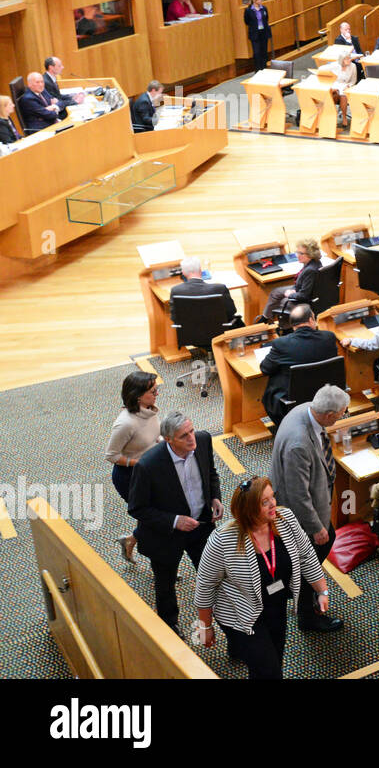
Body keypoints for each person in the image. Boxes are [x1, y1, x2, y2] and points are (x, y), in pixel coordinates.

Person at [194, 476, 328, 679]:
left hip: (276, 604)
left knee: (275, 655)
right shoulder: (222, 540)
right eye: (264, 502)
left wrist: (322, 591)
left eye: (272, 497)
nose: (273, 504)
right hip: (241, 614)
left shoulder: (286, 519)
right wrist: (205, 626)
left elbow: (306, 556)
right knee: (269, 672)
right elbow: (205, 585)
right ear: (248, 509)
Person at [128, 411, 222, 631]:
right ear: (168, 439)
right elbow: (137, 508)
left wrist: (215, 497)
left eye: (191, 431)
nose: (192, 438)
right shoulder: (148, 466)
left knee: (214, 577)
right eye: (184, 435)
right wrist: (174, 521)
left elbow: (211, 473)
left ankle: (229, 625)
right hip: (166, 536)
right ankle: (170, 629)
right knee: (165, 586)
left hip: (201, 527)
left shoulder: (203, 440)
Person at [269, 384, 349, 632]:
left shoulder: (306, 409)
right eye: (342, 413)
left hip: (313, 500)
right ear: (328, 415)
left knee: (326, 542)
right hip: (301, 516)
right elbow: (297, 495)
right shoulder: (299, 444)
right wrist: (316, 528)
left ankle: (303, 592)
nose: (343, 416)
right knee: (307, 563)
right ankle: (306, 615)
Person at [105, 371, 161, 564]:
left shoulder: (150, 410)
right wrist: (140, 463)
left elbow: (153, 436)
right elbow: (111, 455)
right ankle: (161, 564)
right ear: (138, 395)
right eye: (153, 391)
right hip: (130, 477)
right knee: (154, 518)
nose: (157, 394)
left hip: (151, 470)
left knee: (155, 515)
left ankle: (130, 540)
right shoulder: (125, 423)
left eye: (157, 389)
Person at [259, 304, 339, 425]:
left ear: (292, 325)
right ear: (311, 320)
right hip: (325, 394)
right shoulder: (328, 338)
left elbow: (265, 368)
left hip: (293, 399)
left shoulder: (281, 344)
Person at [260, 237, 324, 321]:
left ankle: (284, 328)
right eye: (297, 252)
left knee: (282, 301)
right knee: (275, 292)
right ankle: (265, 317)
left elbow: (304, 295)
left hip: (305, 299)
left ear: (310, 254)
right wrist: (293, 290)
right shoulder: (314, 262)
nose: (297, 255)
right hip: (300, 289)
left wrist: (290, 294)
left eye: (301, 253)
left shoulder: (310, 270)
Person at [170, 256, 240, 324]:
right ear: (200, 270)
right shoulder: (220, 289)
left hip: (190, 334)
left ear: (184, 273)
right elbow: (231, 311)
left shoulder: (176, 291)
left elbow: (174, 318)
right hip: (220, 332)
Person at [325, 53, 358, 124]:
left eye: (350, 58)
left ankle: (344, 117)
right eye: (347, 59)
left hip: (346, 85)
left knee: (343, 95)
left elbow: (353, 80)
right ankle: (329, 117)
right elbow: (321, 69)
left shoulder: (353, 66)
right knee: (332, 94)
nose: (350, 60)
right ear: (342, 60)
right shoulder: (334, 65)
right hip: (335, 85)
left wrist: (349, 86)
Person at [244, 0, 271, 72]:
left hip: (263, 32)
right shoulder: (248, 10)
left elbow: (266, 19)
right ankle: (258, 70)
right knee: (256, 52)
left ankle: (264, 68)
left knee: (264, 51)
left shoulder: (264, 8)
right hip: (255, 33)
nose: (261, 0)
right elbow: (247, 21)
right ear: (254, 0)